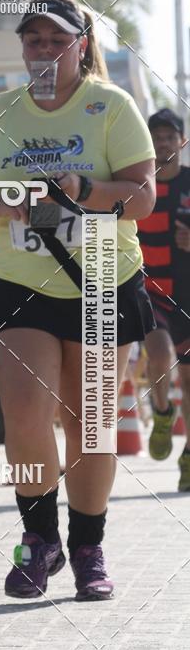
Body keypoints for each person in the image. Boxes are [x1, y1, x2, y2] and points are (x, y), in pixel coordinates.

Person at [0, 0, 156, 601]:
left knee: (90, 424)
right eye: (33, 40)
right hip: (22, 284)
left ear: (80, 46)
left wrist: (81, 188)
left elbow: (142, 197)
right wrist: (4, 198)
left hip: (101, 278)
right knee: (24, 411)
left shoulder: (110, 106)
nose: (43, 51)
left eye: (57, 41)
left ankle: (88, 547)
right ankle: (39, 541)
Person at [137, 108, 190, 486]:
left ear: (181, 142)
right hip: (150, 291)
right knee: (159, 355)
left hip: (188, 292)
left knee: (189, 379)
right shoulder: (138, 184)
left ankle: (188, 457)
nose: (163, 143)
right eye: (156, 137)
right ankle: (161, 411)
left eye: (170, 137)